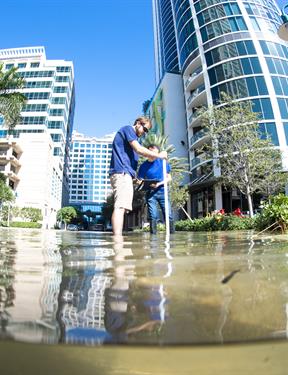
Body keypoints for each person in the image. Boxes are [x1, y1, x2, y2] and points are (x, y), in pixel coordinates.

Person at [109, 117, 167, 235]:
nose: (144, 133)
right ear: (138, 123)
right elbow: (139, 149)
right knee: (120, 207)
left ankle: (118, 238)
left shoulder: (131, 140)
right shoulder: (128, 129)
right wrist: (159, 155)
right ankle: (117, 241)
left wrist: (139, 182)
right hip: (122, 174)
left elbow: (130, 163)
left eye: (147, 131)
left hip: (125, 175)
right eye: (144, 129)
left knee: (122, 207)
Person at [138, 144, 175, 234]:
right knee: (153, 216)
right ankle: (153, 240)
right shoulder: (143, 166)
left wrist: (158, 184)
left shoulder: (163, 162)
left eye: (156, 153)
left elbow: (169, 178)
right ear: (148, 152)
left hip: (163, 192)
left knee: (168, 215)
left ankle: (172, 237)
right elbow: (140, 180)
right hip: (151, 194)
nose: (154, 155)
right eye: (152, 152)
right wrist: (145, 183)